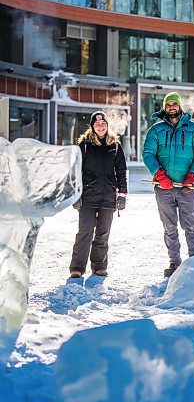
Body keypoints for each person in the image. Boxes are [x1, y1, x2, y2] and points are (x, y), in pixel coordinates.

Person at [142, 92, 194, 278]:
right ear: (164, 107)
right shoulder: (155, 130)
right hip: (163, 188)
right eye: (168, 104)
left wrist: (192, 176)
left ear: (180, 106)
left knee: (192, 225)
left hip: (187, 188)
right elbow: (148, 154)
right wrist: (158, 174)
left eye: (174, 103)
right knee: (169, 227)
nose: (171, 106)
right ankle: (174, 262)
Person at [70, 111, 128, 278]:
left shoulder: (115, 146)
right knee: (85, 232)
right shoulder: (85, 146)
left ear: (107, 125)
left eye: (103, 124)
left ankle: (99, 265)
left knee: (103, 233)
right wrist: (76, 194)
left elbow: (121, 172)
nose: (100, 127)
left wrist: (122, 194)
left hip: (108, 197)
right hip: (87, 197)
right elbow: (75, 172)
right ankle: (77, 267)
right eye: (97, 124)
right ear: (92, 126)